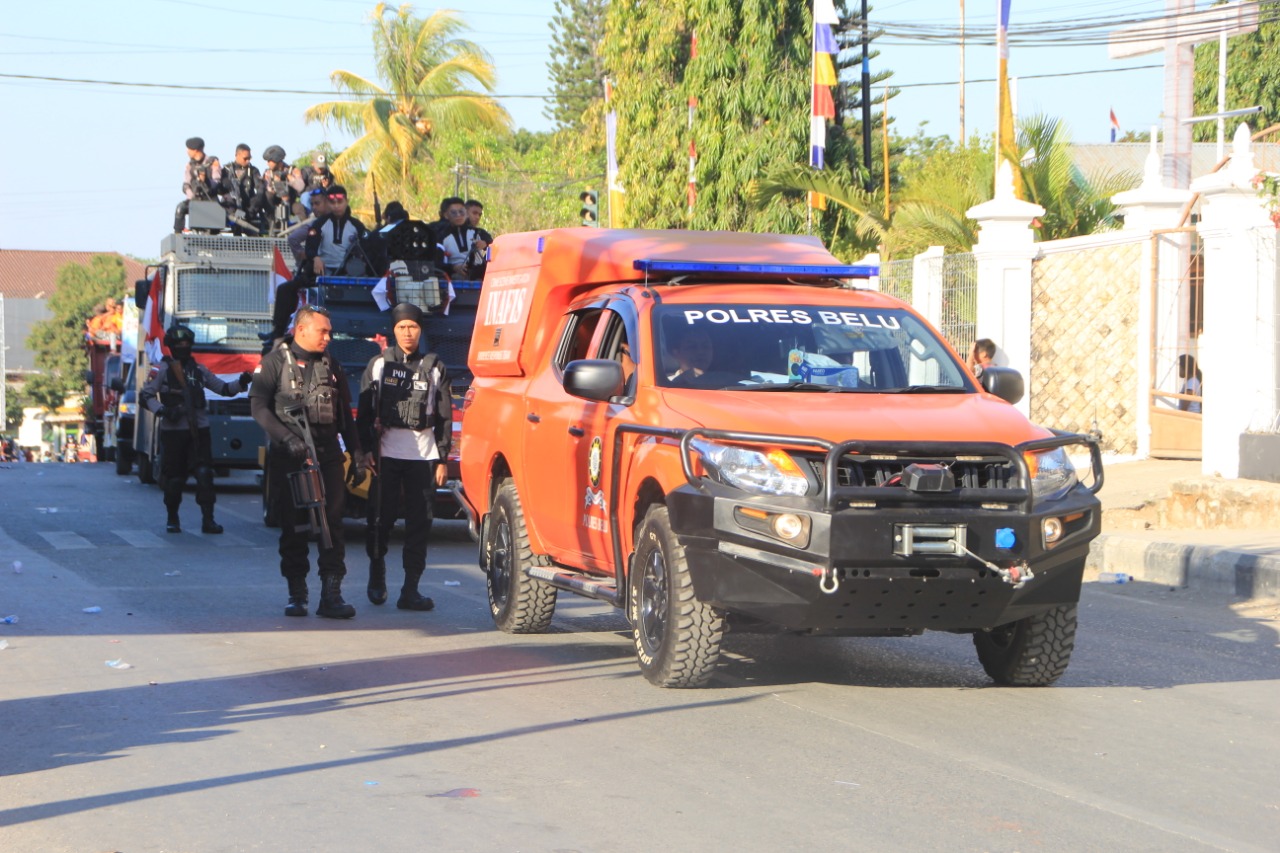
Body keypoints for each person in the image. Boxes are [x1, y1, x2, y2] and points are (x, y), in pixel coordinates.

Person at [250, 306, 364, 619]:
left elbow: (345, 417)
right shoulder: (274, 363)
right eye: (322, 331)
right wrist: (286, 439)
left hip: (327, 455)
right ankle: (297, 594)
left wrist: (357, 455)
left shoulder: (332, 365)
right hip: (290, 458)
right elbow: (258, 408)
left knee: (332, 525)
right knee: (294, 525)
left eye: (330, 331)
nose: (328, 337)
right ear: (301, 329)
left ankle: (331, 595)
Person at [356, 302, 452, 611]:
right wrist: (367, 450)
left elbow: (444, 415)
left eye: (412, 326)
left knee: (419, 523)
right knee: (380, 520)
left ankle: (411, 589)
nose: (407, 332)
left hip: (423, 457)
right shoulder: (378, 365)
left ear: (420, 329)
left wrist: (442, 458)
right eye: (401, 327)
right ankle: (377, 575)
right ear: (393, 330)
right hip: (386, 456)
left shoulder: (435, 366)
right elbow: (364, 414)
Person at [140, 325, 252, 534]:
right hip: (173, 432)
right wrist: (164, 410)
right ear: (171, 347)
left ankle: (208, 520)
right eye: (179, 344)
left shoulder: (199, 370)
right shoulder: (160, 370)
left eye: (186, 344)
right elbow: (145, 397)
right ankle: (173, 518)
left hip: (199, 431)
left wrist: (241, 382)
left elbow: (224, 389)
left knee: (204, 474)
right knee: (174, 479)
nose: (183, 347)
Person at [303, 185, 369, 278]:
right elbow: (309, 247)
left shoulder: (357, 225)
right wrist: (315, 258)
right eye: (332, 202)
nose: (336, 206)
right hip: (323, 271)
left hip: (348, 273)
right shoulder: (319, 224)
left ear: (347, 202)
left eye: (340, 202)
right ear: (327, 203)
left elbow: (367, 246)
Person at [174, 136, 221, 233]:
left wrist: (205, 181)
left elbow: (216, 182)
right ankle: (177, 235)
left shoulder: (212, 163)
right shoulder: (190, 166)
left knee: (210, 228)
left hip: (210, 200)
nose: (187, 152)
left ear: (196, 150)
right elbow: (186, 183)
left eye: (189, 149)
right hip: (195, 199)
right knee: (180, 209)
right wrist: (191, 196)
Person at [220, 143, 265, 231]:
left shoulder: (253, 170)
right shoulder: (226, 169)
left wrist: (253, 207)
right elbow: (220, 189)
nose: (248, 161)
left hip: (247, 207)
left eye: (249, 158)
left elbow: (260, 188)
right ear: (237, 155)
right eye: (245, 158)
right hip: (231, 207)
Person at [437, 197, 482, 279]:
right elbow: (436, 264)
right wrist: (453, 268)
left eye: (461, 212)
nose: (458, 215)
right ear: (446, 215)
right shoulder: (440, 235)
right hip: (451, 278)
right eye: (453, 213)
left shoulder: (475, 232)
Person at [261, 145, 296, 234]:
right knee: (267, 196)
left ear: (277, 160)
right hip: (273, 206)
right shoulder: (268, 173)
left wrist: (286, 178)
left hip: (290, 203)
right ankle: (272, 224)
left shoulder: (291, 170)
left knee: (300, 210)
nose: (267, 163)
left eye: (270, 161)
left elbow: (299, 186)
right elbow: (267, 189)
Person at [464, 199, 492, 280]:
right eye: (474, 213)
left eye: (479, 215)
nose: (477, 217)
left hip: (476, 272)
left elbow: (493, 243)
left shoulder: (480, 232)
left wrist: (486, 243)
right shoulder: (453, 231)